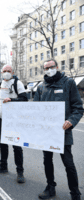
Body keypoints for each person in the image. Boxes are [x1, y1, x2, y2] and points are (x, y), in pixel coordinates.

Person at [34, 59, 84, 200]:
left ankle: (75, 193)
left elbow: (78, 108)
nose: (49, 70)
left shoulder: (68, 83)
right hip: (46, 133)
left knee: (68, 163)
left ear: (57, 67)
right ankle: (50, 187)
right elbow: (35, 110)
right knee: (47, 160)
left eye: (51, 67)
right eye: (46, 68)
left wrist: (71, 121)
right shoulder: (41, 87)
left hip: (63, 131)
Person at [0, 64, 28, 183]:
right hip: (2, 118)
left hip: (14, 119)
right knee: (3, 143)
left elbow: (24, 99)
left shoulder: (18, 83)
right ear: (2, 72)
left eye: (8, 71)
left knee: (16, 145)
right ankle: (3, 166)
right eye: (4, 71)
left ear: (12, 72)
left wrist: (12, 100)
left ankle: (20, 172)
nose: (6, 72)